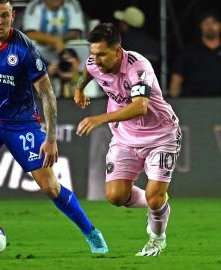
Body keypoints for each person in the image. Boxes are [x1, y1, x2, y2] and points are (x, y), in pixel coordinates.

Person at [0, 0, 108, 255]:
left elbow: (48, 94)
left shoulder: (25, 50)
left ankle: (92, 233)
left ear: (13, 16)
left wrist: (50, 138)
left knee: (50, 185)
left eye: (4, 16)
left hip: (21, 123)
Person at [74, 23, 182, 256]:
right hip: (124, 137)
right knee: (115, 196)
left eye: (103, 54)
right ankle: (158, 202)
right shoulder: (95, 63)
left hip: (160, 135)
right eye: (93, 53)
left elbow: (140, 107)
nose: (97, 60)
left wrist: (100, 118)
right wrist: (80, 88)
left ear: (118, 51)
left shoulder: (138, 67)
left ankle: (157, 238)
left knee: (154, 198)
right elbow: (88, 69)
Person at [169, 11, 221, 97]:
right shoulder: (189, 52)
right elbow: (176, 79)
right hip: (194, 103)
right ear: (201, 26)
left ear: (219, 25)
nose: (210, 26)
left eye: (213, 22)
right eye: (206, 23)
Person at [113, 6, 160, 74]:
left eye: (122, 21)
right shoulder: (153, 44)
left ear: (125, 24)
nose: (119, 23)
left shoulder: (124, 44)